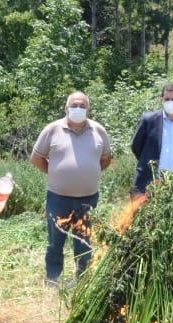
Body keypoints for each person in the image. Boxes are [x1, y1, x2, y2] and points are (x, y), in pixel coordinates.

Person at [30, 91, 112, 283]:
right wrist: (55, 173)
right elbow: (36, 158)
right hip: (58, 197)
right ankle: (52, 279)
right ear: (66, 108)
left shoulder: (98, 131)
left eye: (82, 106)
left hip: (88, 199)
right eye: (74, 105)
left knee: (84, 242)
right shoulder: (52, 129)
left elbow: (106, 159)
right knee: (55, 242)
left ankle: (82, 280)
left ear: (88, 109)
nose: (78, 109)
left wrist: (90, 173)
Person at [131, 82, 173, 195]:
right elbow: (136, 147)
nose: (170, 102)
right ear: (161, 100)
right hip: (148, 184)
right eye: (167, 99)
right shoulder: (149, 120)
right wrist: (148, 162)